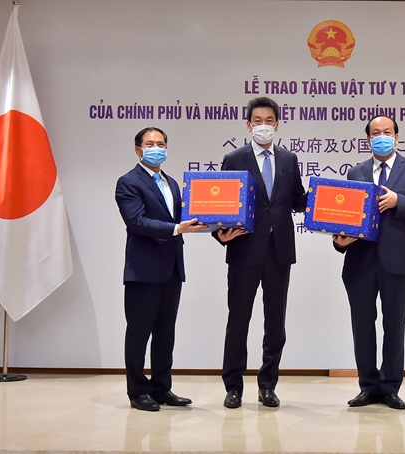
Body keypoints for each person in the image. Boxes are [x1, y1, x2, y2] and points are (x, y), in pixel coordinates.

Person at [333, 115, 405, 410]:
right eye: (376, 133)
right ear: (368, 139)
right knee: (362, 327)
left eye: (387, 132)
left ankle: (391, 387)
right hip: (359, 263)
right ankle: (368, 387)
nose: (382, 136)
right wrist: (338, 242)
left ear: (397, 137)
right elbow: (344, 218)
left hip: (398, 263)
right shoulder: (355, 172)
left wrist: (398, 201)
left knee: (395, 327)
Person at [214, 97, 307, 408]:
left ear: (277, 124)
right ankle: (233, 387)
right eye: (258, 121)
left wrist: (326, 203)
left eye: (269, 120)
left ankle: (267, 385)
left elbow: (297, 199)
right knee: (238, 320)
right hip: (244, 251)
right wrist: (219, 234)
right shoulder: (234, 158)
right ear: (248, 125)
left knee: (275, 323)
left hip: (279, 252)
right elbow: (221, 204)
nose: (263, 126)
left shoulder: (289, 159)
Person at [115, 127, 208, 411]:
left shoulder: (172, 183)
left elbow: (184, 218)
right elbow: (136, 222)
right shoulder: (128, 182)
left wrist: (217, 222)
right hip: (143, 270)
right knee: (139, 332)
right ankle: (137, 391)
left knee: (166, 332)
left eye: (161, 144)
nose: (157, 148)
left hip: (172, 269)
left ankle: (161, 388)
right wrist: (177, 229)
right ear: (138, 150)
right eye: (150, 144)